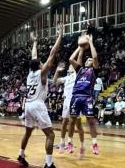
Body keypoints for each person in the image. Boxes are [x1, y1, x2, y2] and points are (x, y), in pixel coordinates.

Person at [18, 23, 63, 168]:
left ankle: (21, 154)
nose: (43, 63)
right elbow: (52, 53)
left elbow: (34, 56)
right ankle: (49, 164)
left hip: (28, 105)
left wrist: (35, 42)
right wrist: (60, 35)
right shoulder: (42, 73)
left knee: (28, 132)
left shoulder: (30, 73)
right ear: (39, 66)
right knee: (51, 135)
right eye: (41, 63)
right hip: (37, 104)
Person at [68, 35, 100, 155]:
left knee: (91, 121)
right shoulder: (80, 69)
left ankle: (94, 144)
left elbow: (95, 56)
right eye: (88, 59)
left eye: (91, 60)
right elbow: (71, 59)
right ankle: (70, 142)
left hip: (87, 97)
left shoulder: (94, 70)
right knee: (72, 121)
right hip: (76, 96)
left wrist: (91, 42)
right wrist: (79, 48)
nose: (90, 60)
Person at [53, 63, 84, 157]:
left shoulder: (77, 75)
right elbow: (55, 82)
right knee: (64, 122)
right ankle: (62, 142)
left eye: (72, 65)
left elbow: (77, 62)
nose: (70, 66)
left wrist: (80, 49)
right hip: (66, 102)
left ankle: (77, 144)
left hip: (76, 101)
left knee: (77, 125)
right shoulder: (66, 78)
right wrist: (57, 71)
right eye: (69, 65)